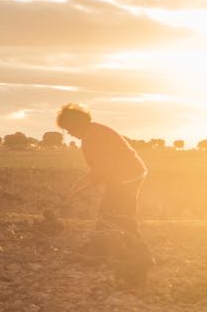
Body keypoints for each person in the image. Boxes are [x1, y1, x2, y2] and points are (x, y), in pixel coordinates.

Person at [56, 103, 148, 240]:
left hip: (125, 176)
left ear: (76, 125)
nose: (69, 133)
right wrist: (82, 183)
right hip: (132, 173)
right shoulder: (95, 130)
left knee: (111, 215)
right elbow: (99, 166)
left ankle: (133, 251)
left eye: (69, 129)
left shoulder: (92, 137)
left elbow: (102, 166)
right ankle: (113, 247)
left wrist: (88, 186)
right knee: (118, 212)